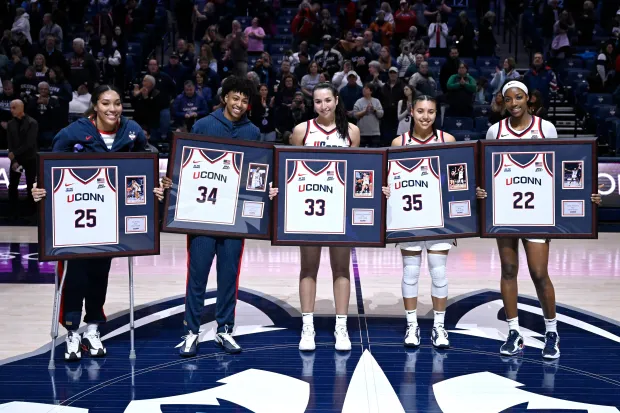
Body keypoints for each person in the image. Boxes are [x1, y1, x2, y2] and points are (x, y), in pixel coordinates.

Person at [31, 85, 166, 362]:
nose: (112, 109)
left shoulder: (132, 130)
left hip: (110, 219)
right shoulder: (74, 132)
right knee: (74, 276)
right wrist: (39, 187)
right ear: (95, 106)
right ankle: (71, 331)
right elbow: (50, 166)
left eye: (117, 103)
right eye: (106, 103)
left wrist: (154, 187)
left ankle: (93, 328)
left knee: (99, 276)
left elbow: (144, 163)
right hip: (76, 216)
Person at [477, 81, 602, 360]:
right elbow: (487, 171)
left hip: (537, 211)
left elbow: (560, 170)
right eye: (508, 99)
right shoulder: (495, 131)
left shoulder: (546, 128)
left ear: (528, 99)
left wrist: (586, 195)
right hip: (505, 212)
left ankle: (551, 331)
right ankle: (513, 331)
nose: (514, 103)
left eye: (518, 97)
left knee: (538, 273)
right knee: (508, 269)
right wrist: (482, 190)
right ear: (503, 102)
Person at [268, 83, 361, 352]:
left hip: (340, 211)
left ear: (337, 100)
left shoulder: (352, 132)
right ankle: (307, 327)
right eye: (318, 102)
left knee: (341, 268)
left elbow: (356, 172)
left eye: (328, 100)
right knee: (308, 267)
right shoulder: (302, 131)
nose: (323, 106)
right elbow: (290, 168)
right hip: (308, 210)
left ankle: (340, 327)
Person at [176, 76, 260, 357]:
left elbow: (256, 176)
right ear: (225, 97)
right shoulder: (203, 125)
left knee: (228, 275)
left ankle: (225, 329)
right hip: (203, 215)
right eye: (235, 97)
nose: (239, 104)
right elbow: (187, 166)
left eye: (245, 100)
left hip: (235, 218)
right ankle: (191, 331)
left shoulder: (253, 133)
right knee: (197, 274)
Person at [383, 95, 456, 348]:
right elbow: (389, 180)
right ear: (411, 112)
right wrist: (387, 191)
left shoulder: (447, 141)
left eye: (431, 112)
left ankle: (439, 326)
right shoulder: (398, 142)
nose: (426, 117)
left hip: (437, 218)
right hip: (409, 218)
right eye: (421, 111)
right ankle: (412, 325)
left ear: (437, 114)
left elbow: (456, 181)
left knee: (438, 271)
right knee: (411, 272)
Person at [7, 99, 37, 218]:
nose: (11, 110)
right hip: (17, 161)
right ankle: (13, 212)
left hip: (30, 158)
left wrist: (14, 154)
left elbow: (29, 143)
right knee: (13, 185)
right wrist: (13, 160)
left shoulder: (32, 123)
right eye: (11, 108)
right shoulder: (10, 124)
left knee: (31, 185)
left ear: (21, 108)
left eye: (14, 108)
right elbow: (10, 143)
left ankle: (32, 213)